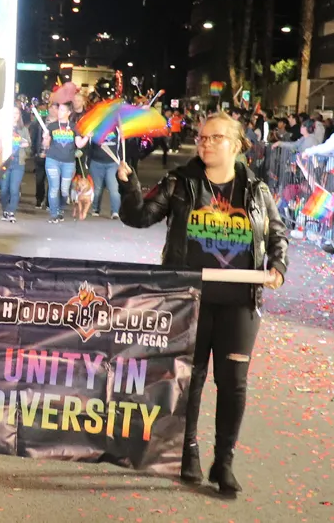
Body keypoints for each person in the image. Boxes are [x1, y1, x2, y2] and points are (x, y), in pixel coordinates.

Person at [116, 112, 287, 497]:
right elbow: (139, 216)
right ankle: (187, 450)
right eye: (202, 137)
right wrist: (129, 186)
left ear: (237, 144)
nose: (205, 143)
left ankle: (224, 461)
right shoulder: (180, 182)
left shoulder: (256, 190)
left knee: (233, 383)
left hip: (240, 303)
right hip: (188, 300)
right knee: (190, 379)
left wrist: (278, 266)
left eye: (215, 137)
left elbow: (277, 234)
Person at [42, 102, 89, 224]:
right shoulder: (52, 126)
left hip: (68, 162)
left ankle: (60, 209)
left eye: (62, 110)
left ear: (69, 113)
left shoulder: (74, 127)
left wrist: (87, 137)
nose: (59, 112)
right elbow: (46, 145)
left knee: (64, 190)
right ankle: (53, 214)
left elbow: (79, 144)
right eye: (59, 109)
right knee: (54, 187)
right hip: (52, 160)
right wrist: (45, 138)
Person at [0, 109, 29, 221]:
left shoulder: (23, 129)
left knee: (14, 189)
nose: (14, 115)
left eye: (16, 113)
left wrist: (22, 143)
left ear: (19, 115)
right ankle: (5, 210)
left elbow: (28, 144)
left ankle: (11, 211)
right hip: (5, 162)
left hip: (18, 162)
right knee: (4, 189)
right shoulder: (3, 128)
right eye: (12, 113)